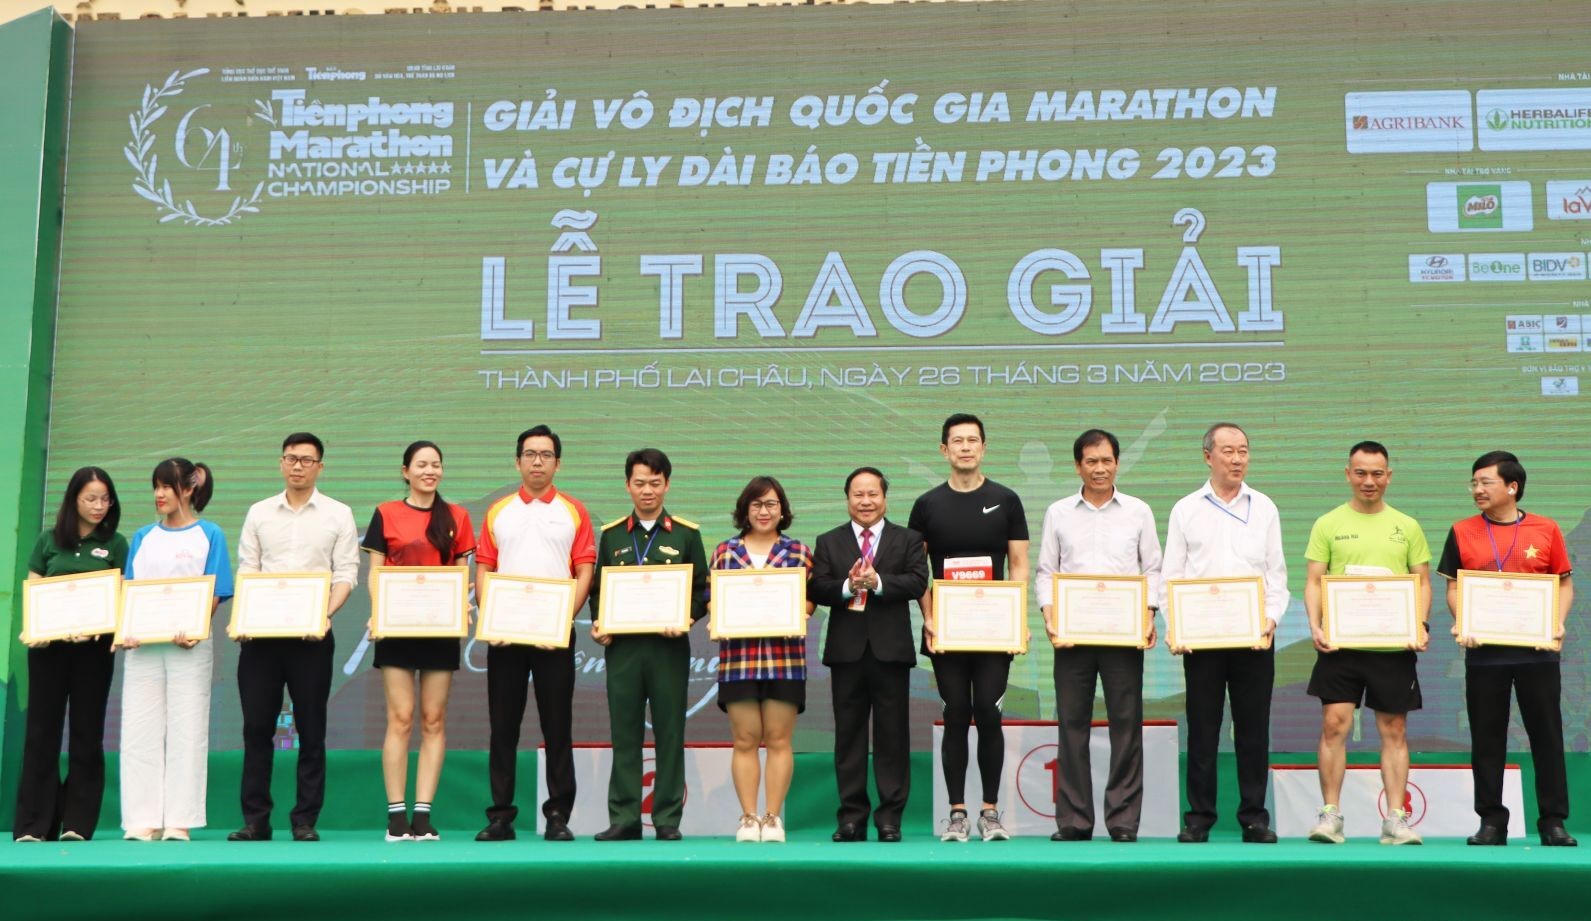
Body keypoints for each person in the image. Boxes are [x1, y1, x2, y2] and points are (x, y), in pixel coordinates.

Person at [1437, 451, 1576, 847]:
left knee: (1546, 736)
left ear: (1512, 487)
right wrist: (1464, 620)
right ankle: (1492, 822)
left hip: (1537, 651)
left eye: (1486, 482)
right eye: (1474, 483)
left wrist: (1557, 623)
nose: (1477, 490)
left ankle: (1553, 822)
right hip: (1485, 653)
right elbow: (1454, 586)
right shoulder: (1462, 531)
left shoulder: (1546, 529)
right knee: (1487, 738)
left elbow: (1563, 584)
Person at [228, 433, 359, 843]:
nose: (297, 466)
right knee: (256, 728)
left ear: (320, 466)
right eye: (291, 458)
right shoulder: (259, 512)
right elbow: (248, 570)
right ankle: (256, 820)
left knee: (311, 729)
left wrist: (322, 614)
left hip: (311, 638)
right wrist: (244, 617)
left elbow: (346, 574)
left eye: (306, 459)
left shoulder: (338, 514)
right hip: (261, 639)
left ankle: (304, 819)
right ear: (281, 463)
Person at [1034, 429, 1163, 843]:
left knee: (1126, 725)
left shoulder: (1138, 511)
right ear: (1078, 466)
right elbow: (1046, 572)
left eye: (1107, 460)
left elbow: (1153, 569)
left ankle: (1123, 821)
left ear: (1117, 464)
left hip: (1124, 637)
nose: (1100, 469)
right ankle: (1074, 821)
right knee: (1072, 725)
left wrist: (1148, 614)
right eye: (1091, 461)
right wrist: (1050, 616)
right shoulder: (1058, 512)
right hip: (1072, 637)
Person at [1162, 423, 1288, 844]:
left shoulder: (1264, 507)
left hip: (1255, 638)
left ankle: (1254, 818)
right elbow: (1172, 576)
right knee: (1203, 729)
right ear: (1208, 457)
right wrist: (1177, 626)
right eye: (1228, 451)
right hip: (1202, 640)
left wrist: (1270, 620)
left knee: (1253, 729)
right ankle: (1199, 818)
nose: (1237, 459)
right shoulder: (1186, 509)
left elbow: (1276, 575)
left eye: (1243, 451)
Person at [907, 413, 1029, 842]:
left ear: (983, 447)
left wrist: (1016, 618)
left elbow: (1018, 564)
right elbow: (916, 569)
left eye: (972, 440)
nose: (965, 447)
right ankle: (957, 813)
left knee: (989, 714)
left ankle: (990, 812)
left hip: (994, 630)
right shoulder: (927, 504)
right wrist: (929, 617)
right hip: (947, 632)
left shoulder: (1006, 500)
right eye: (957, 441)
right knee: (956, 713)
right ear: (944, 450)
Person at [1302, 441, 1431, 846]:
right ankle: (1330, 815)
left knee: (1394, 729)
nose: (1369, 481)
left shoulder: (1407, 525)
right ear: (1348, 474)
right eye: (1361, 473)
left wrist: (1420, 624)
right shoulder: (1328, 523)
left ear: (1388, 476)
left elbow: (1422, 581)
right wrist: (1316, 625)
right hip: (1341, 645)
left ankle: (1396, 818)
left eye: (1377, 473)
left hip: (1392, 648)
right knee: (1333, 725)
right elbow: (1314, 581)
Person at [475, 425, 596, 843]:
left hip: (554, 635)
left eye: (546, 455)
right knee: (502, 726)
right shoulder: (499, 511)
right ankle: (500, 817)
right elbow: (484, 568)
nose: (537, 461)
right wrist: (491, 618)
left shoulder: (574, 511)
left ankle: (558, 815)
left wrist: (563, 620)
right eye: (530, 454)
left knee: (557, 725)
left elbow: (584, 571)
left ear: (557, 463)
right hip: (505, 637)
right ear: (517, 462)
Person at [588, 448, 708, 841]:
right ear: (627, 485)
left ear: (667, 485)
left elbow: (702, 590)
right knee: (624, 732)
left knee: (670, 731)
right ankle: (624, 817)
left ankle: (667, 819)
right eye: (640, 483)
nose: (647, 491)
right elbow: (599, 590)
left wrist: (687, 619)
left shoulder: (687, 534)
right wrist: (599, 624)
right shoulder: (612, 535)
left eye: (655, 483)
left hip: (667, 648)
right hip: (623, 648)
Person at [361, 440, 475, 841]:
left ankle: (423, 814)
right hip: (397, 627)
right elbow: (375, 573)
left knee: (433, 719)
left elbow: (462, 572)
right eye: (422, 465)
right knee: (401, 718)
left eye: (436, 465)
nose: (430, 471)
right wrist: (381, 611)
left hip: (440, 630)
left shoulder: (457, 516)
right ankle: (396, 815)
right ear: (405, 471)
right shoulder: (386, 513)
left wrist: (461, 605)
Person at [810, 467, 930, 843]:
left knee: (892, 736)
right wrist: (848, 586)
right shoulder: (828, 541)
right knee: (849, 737)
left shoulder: (907, 539)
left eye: (873, 494)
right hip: (846, 652)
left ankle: (890, 818)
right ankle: (851, 818)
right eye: (858, 494)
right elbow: (818, 587)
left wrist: (877, 582)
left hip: (890, 651)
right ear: (848, 498)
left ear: (884, 498)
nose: (866, 501)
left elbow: (917, 581)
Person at [121, 458, 234, 841]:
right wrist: (129, 629)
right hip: (143, 646)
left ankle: (179, 820)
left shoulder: (209, 534)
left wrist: (196, 628)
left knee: (188, 727)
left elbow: (215, 589)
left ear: (188, 489)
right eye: (156, 486)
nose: (159, 494)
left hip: (189, 645)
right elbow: (130, 589)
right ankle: (142, 818)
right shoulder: (143, 537)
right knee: (139, 726)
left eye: (167, 486)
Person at [13, 468, 127, 842]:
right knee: (41, 731)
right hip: (49, 650)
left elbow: (120, 594)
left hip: (93, 651)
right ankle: (34, 825)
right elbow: (34, 589)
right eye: (90, 498)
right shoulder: (48, 540)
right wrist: (36, 630)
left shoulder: (115, 544)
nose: (98, 506)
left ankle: (77, 822)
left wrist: (104, 624)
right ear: (73, 499)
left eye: (105, 499)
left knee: (86, 732)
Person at [710, 476, 814, 843]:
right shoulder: (725, 551)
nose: (764, 511)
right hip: (739, 660)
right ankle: (748, 817)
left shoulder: (798, 551)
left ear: (782, 510)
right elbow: (713, 598)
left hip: (784, 660)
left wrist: (799, 611)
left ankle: (771, 817)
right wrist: (718, 616)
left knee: (779, 739)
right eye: (756, 504)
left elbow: (811, 598)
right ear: (745, 509)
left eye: (771, 504)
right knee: (745, 739)